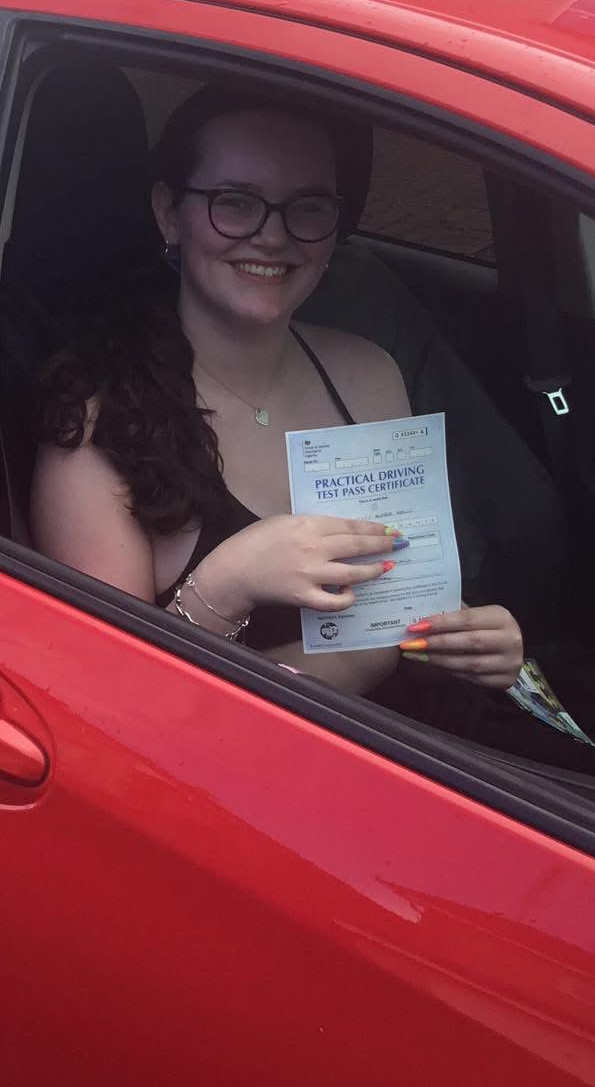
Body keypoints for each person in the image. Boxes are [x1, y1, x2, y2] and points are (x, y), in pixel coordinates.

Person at [29, 88, 527, 701]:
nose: (273, 236)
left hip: (411, 756)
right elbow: (113, 701)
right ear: (169, 213)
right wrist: (227, 583)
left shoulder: (369, 374)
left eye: (308, 207)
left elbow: (398, 618)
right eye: (235, 203)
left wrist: (465, 642)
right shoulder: (96, 430)